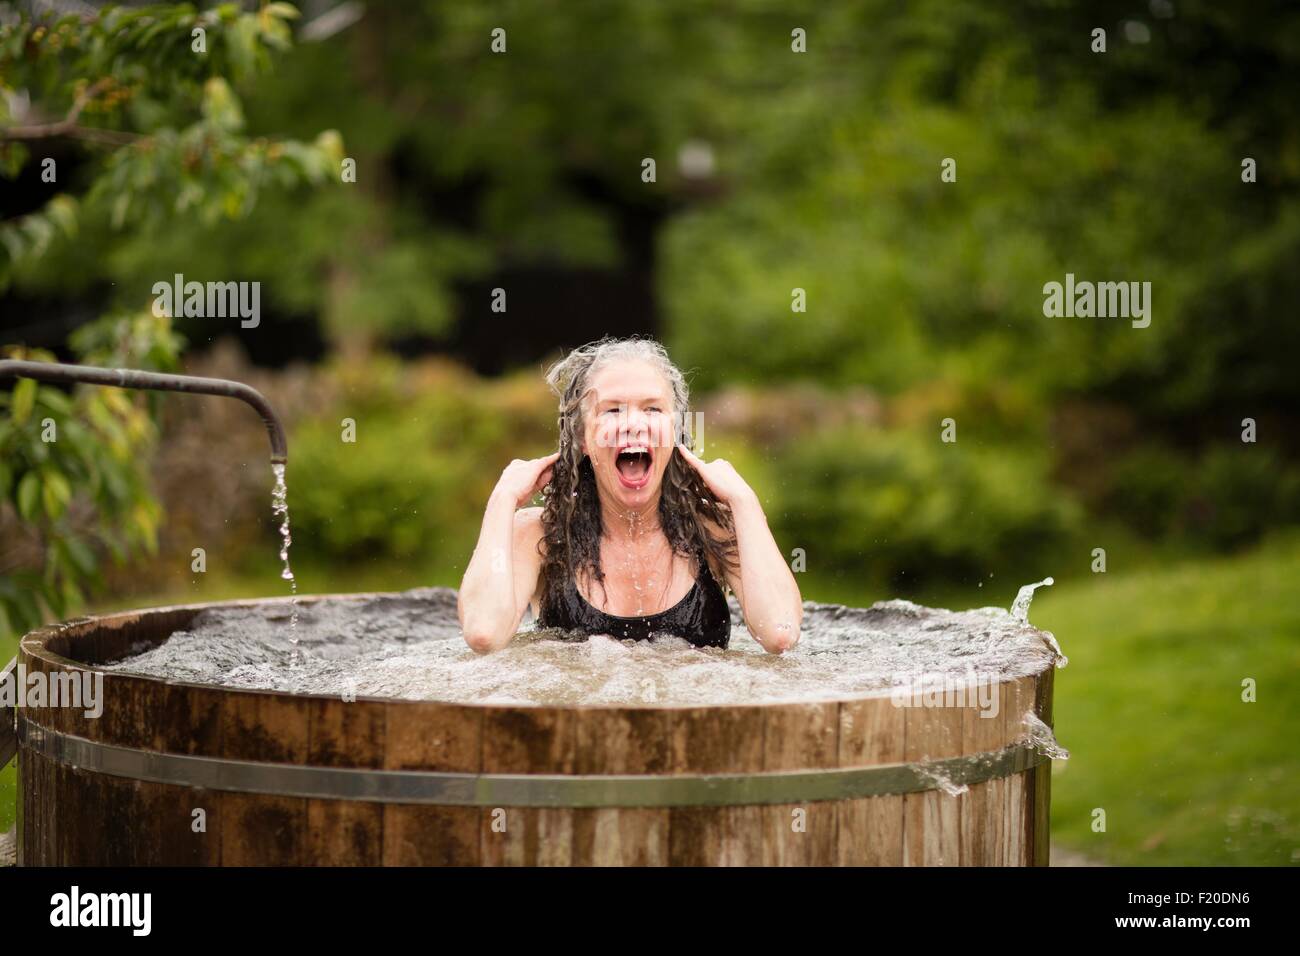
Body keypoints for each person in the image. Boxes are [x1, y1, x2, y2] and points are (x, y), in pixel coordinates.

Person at [458, 336, 802, 654]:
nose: (633, 424)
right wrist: (503, 499)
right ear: (582, 438)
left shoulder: (714, 531)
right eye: (612, 410)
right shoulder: (539, 536)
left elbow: (780, 634)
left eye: (652, 409)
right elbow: (484, 634)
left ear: (675, 431)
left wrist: (744, 501)